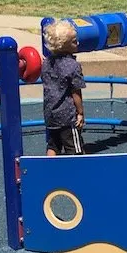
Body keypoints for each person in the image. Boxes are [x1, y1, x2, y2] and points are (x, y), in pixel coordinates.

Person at [41, 20, 87, 156]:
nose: (77, 43)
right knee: (75, 148)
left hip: (50, 113)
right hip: (67, 116)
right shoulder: (73, 66)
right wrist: (80, 112)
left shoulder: (46, 63)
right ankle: (77, 174)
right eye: (74, 41)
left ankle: (49, 169)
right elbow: (76, 92)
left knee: (53, 145)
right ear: (64, 46)